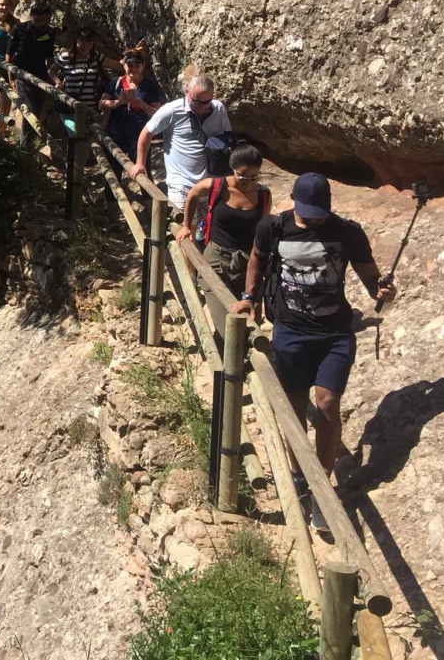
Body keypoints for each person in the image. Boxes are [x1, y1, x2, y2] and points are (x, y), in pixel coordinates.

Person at [231, 173, 396, 531]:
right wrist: (248, 298)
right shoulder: (273, 227)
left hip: (335, 333)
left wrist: (382, 292)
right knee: (292, 409)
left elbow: (371, 279)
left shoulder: (348, 232)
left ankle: (321, 487)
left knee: (326, 403)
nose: (314, 219)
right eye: (308, 213)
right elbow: (256, 261)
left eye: (320, 213)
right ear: (293, 201)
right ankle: (300, 475)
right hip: (289, 332)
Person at [179, 143, 272, 329]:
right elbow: (193, 194)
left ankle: (243, 355)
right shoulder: (217, 186)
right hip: (216, 259)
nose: (249, 181)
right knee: (224, 323)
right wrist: (186, 225)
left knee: (251, 321)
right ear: (233, 170)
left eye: (254, 176)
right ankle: (223, 353)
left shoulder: (263, 195)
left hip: (248, 262)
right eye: (243, 176)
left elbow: (263, 228)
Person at [129, 74, 230, 215]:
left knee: (205, 230)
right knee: (185, 230)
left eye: (207, 102)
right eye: (197, 102)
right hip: (181, 183)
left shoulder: (218, 109)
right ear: (186, 92)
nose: (203, 107)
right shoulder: (171, 110)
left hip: (210, 182)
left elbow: (226, 138)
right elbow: (146, 133)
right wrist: (140, 163)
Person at [51, 25, 117, 136]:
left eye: (89, 42)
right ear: (76, 41)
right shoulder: (66, 57)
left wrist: (133, 54)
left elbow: (117, 65)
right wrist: (57, 82)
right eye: (82, 41)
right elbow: (51, 70)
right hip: (70, 106)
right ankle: (72, 153)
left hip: (91, 108)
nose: (85, 46)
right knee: (75, 135)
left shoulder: (96, 57)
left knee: (88, 138)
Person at [99, 47, 163, 160]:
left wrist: (143, 105)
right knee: (114, 171)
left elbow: (157, 115)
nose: (133, 69)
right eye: (130, 65)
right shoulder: (116, 82)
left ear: (143, 66)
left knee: (142, 172)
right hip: (115, 135)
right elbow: (101, 104)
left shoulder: (150, 86)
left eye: (137, 66)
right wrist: (117, 102)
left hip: (140, 136)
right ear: (124, 65)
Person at [5, 1, 57, 115]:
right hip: (21, 74)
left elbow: (49, 56)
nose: (40, 23)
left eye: (43, 20)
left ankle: (35, 133)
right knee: (29, 111)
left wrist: (52, 77)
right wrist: (11, 79)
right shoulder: (18, 29)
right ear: (31, 16)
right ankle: (28, 133)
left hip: (40, 74)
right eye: (37, 20)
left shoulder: (49, 32)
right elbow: (9, 54)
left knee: (39, 110)